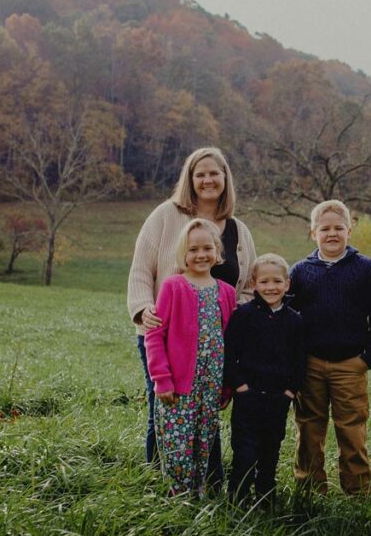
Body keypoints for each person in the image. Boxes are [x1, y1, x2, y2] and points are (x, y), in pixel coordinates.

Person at [127, 147, 257, 488]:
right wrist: (144, 309)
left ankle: (206, 482)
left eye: (215, 173)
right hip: (167, 335)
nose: (208, 180)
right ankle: (161, 481)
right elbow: (141, 267)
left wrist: (239, 320)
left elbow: (248, 285)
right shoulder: (166, 216)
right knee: (165, 407)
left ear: (226, 178)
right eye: (200, 174)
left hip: (218, 342)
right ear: (190, 179)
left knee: (206, 412)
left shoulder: (238, 231)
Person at [288, 200, 371, 495]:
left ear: (349, 229)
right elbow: (290, 321)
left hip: (350, 363)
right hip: (312, 365)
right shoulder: (301, 271)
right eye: (325, 229)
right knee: (308, 429)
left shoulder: (365, 269)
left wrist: (368, 358)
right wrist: (298, 359)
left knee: (352, 430)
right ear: (313, 233)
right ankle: (309, 488)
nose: (332, 234)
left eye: (338, 228)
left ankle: (357, 491)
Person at [144, 219, 237, 495]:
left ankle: (198, 497)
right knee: (177, 446)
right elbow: (154, 336)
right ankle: (177, 499)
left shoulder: (227, 293)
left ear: (218, 252)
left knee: (203, 442)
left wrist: (226, 386)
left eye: (207, 248)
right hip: (178, 388)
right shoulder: (173, 286)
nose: (200, 255)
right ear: (183, 253)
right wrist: (162, 379)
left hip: (211, 387)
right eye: (193, 249)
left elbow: (231, 343)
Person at [224, 253, 306, 505]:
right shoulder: (244, 315)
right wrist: (240, 387)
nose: (271, 287)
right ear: (253, 284)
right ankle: (237, 499)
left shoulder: (295, 320)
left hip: (277, 399)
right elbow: (229, 354)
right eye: (264, 282)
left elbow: (300, 361)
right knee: (245, 452)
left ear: (287, 284)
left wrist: (290, 392)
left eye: (277, 282)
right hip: (248, 397)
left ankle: (265, 498)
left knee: (270, 451)